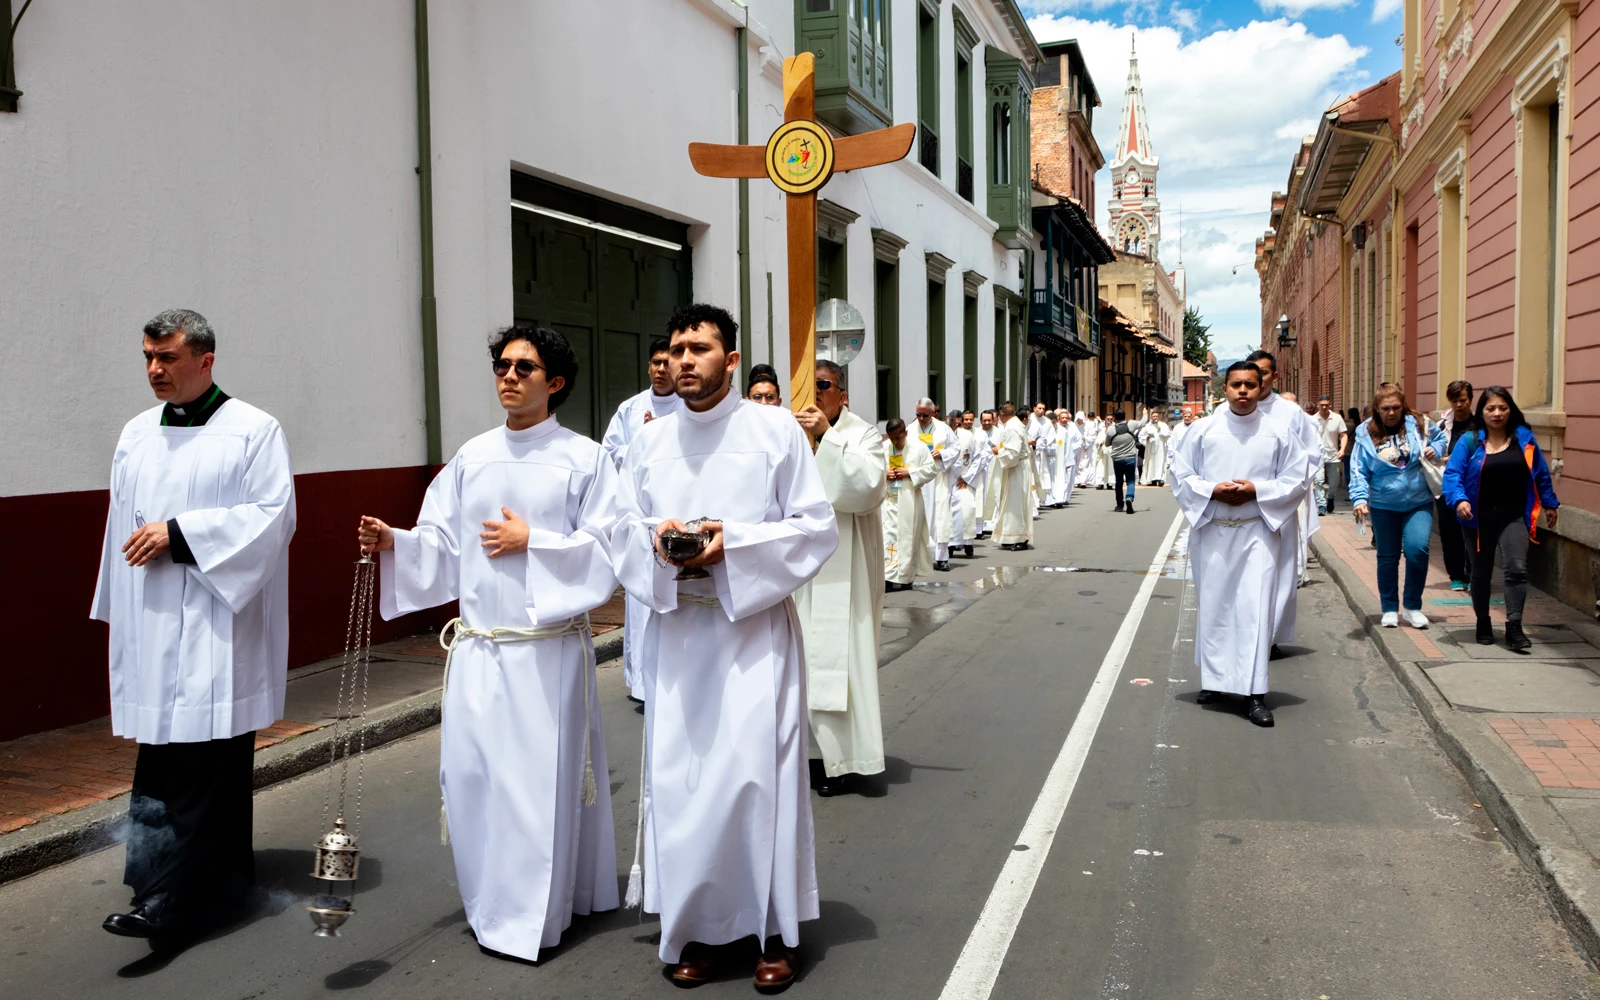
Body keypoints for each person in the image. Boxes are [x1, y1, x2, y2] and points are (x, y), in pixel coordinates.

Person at [359, 325, 618, 962]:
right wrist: (398, 541)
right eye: (502, 365)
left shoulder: (585, 460)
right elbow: (441, 544)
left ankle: (532, 918)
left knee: (536, 788)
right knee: (473, 780)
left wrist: (539, 544)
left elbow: (611, 551)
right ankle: (490, 906)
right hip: (477, 648)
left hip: (545, 650)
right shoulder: (471, 457)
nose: (508, 376)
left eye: (524, 368)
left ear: (554, 383)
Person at [613, 304, 838, 989]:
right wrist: (659, 542)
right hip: (679, 634)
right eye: (677, 348)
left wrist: (730, 544)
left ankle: (774, 932)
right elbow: (615, 529)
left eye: (700, 348)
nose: (685, 360)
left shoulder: (772, 432)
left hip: (752, 632)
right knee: (686, 786)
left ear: (731, 361)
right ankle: (701, 929)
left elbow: (813, 528)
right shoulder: (649, 442)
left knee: (753, 783)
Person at [95, 309, 297, 941]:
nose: (155, 370)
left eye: (168, 358)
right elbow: (117, 525)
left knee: (212, 759)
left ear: (205, 361)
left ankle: (171, 899)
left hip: (217, 623)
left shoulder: (254, 431)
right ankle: (201, 882)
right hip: (154, 622)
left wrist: (179, 534)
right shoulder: (136, 433)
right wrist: (118, 609)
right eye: (149, 358)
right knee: (162, 757)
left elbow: (273, 517)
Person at [1169, 362, 1314, 728]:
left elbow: (1298, 477)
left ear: (1262, 385)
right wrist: (1212, 490)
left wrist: (1257, 491)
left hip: (1256, 532)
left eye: (1251, 384)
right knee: (1216, 608)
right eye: (1237, 385)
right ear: (1226, 389)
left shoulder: (1278, 432)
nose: (1244, 391)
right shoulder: (1203, 430)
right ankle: (1215, 683)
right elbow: (1181, 473)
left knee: (1254, 611)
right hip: (1214, 530)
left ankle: (1254, 693)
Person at [795, 360, 888, 795]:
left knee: (840, 661)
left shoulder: (861, 434)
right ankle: (801, 758)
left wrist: (826, 439)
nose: (816, 394)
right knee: (796, 662)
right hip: (797, 569)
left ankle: (845, 762)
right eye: (808, 386)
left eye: (824, 386)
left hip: (842, 569)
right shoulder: (788, 433)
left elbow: (867, 488)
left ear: (842, 394)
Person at [1443, 386, 1561, 652]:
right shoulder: (1471, 441)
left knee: (1517, 568)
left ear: (1511, 410)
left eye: (1502, 408)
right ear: (1482, 412)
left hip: (1513, 516)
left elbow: (1540, 473)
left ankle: (1514, 627)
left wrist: (1550, 503)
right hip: (1477, 519)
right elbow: (1453, 474)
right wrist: (1459, 499)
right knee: (1481, 573)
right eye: (1490, 409)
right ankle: (1483, 622)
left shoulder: (1524, 439)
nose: (1497, 414)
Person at [601, 338, 681, 701]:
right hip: (641, 516)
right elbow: (609, 455)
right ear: (648, 367)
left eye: (667, 362)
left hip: (678, 517)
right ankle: (641, 684)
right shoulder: (630, 410)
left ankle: (672, 679)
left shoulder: (687, 406)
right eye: (655, 362)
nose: (661, 368)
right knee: (641, 602)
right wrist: (642, 442)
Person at [1349, 384, 1447, 630]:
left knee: (1417, 551)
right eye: (1385, 409)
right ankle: (1390, 608)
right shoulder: (1365, 432)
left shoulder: (1420, 424)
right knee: (1387, 558)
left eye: (1396, 408)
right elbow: (1358, 469)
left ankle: (1413, 606)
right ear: (1377, 410)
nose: (1391, 413)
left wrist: (1434, 449)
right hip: (1383, 504)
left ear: (1403, 406)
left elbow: (1441, 439)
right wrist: (1360, 500)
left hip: (1418, 501)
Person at [1245, 351, 1322, 650]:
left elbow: (1311, 456)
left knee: (1279, 571)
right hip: (1242, 506)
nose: (1256, 380)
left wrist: (1281, 491)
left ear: (1274, 377)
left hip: (1279, 505)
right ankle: (1245, 633)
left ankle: (1271, 637)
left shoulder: (1291, 414)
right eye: (1252, 372)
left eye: (1263, 373)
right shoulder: (1231, 411)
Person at [883, 418, 936, 591]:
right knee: (889, 538)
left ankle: (906, 577)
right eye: (892, 439)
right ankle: (888, 577)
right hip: (889, 500)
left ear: (905, 433)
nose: (895, 442)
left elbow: (931, 470)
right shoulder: (884, 448)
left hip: (910, 501)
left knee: (908, 539)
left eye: (898, 438)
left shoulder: (918, 448)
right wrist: (885, 473)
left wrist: (910, 472)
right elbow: (873, 469)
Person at [1433, 380, 1476, 591]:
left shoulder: (1479, 427)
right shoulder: (1441, 427)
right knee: (1450, 533)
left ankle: (1473, 573)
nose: (1458, 405)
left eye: (1463, 400)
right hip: (1447, 487)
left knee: (1471, 532)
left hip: (1473, 488)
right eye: (1454, 401)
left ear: (1470, 400)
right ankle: (1456, 576)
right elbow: (1431, 452)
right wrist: (1437, 455)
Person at [913, 398, 959, 571]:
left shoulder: (943, 429)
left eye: (924, 415)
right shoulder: (911, 429)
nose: (921, 418)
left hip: (939, 479)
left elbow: (956, 448)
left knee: (940, 516)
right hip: (920, 479)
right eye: (918, 414)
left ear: (932, 413)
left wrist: (941, 453)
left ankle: (941, 557)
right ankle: (920, 559)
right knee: (920, 517)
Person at [991, 402, 1035, 550]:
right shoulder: (1015, 424)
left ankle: (1020, 538)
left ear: (1002, 415)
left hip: (1017, 468)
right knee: (1010, 503)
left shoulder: (1012, 428)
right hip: (1017, 467)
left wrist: (998, 451)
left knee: (1016, 504)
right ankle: (1009, 536)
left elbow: (1013, 452)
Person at [950, 410, 982, 557]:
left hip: (964, 480)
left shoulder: (968, 436)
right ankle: (950, 545)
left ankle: (968, 544)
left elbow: (977, 458)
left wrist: (967, 477)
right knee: (949, 514)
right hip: (948, 481)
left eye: (958, 423)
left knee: (967, 511)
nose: (956, 426)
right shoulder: (944, 436)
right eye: (953, 423)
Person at [1105, 406, 1148, 513]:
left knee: (1119, 482)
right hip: (1130, 458)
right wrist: (1145, 413)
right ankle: (1129, 497)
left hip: (1117, 459)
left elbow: (1107, 443)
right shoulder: (1131, 424)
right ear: (1125, 416)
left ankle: (1120, 505)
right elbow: (1143, 423)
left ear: (1114, 418)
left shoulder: (1111, 429)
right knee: (1130, 481)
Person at [1311, 396, 1348, 515]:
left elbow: (1343, 435)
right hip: (1317, 455)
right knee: (1318, 480)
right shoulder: (1313, 419)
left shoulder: (1337, 418)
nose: (1324, 407)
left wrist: (1342, 449)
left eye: (1326, 404)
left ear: (1330, 404)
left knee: (1334, 481)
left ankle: (1330, 498)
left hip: (1333, 455)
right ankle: (1321, 505)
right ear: (1317, 405)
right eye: (1321, 405)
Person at [1138, 412, 1171, 487]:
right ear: (1151, 417)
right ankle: (1152, 479)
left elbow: (1167, 436)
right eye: (1153, 416)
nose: (1155, 418)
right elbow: (1141, 436)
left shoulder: (1163, 425)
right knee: (1151, 463)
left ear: (1158, 417)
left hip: (1160, 449)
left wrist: (1160, 431)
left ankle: (1160, 479)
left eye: (1156, 416)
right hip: (1150, 448)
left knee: (1160, 463)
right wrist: (1146, 438)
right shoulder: (1147, 426)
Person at [1096, 415, 1117, 490]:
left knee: (1111, 468)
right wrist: (1101, 443)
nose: (1108, 427)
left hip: (1111, 452)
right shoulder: (1101, 433)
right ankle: (1100, 483)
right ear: (1105, 426)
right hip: (1103, 453)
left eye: (1110, 425)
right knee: (1101, 467)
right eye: (1107, 425)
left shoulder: (1115, 433)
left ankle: (1110, 483)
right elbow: (1097, 441)